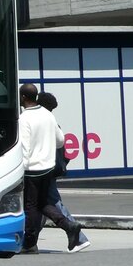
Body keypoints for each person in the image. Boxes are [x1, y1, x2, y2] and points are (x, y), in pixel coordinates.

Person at [19, 83, 86, 254]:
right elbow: (60, 141)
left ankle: (29, 243)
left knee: (31, 207)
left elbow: (24, 149)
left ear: (23, 98)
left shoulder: (24, 118)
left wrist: (20, 170)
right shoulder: (47, 115)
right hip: (48, 168)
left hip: (31, 170)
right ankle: (69, 226)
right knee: (43, 204)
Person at [38, 91, 90, 252]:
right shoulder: (53, 123)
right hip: (50, 170)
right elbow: (62, 148)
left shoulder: (42, 122)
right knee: (39, 205)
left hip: (41, 171)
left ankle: (79, 239)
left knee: (53, 203)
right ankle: (28, 240)